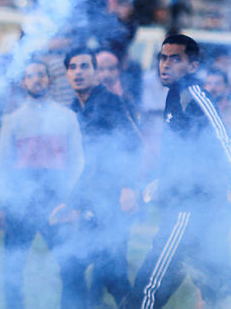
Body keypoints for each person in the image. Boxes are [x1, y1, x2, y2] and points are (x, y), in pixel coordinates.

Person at [121, 35, 231, 309]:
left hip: (188, 210)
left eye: (175, 59)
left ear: (192, 66)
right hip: (198, 208)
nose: (165, 65)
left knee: (147, 293)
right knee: (217, 291)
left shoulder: (196, 95)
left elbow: (225, 141)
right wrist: (159, 182)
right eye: (162, 58)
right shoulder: (175, 94)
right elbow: (184, 153)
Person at [53, 47, 143, 308]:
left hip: (111, 201)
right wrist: (71, 203)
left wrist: (127, 188)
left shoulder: (110, 102)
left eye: (84, 66)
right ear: (67, 74)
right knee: (78, 269)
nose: (78, 72)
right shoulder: (73, 110)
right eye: (73, 67)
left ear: (95, 72)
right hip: (89, 201)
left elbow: (133, 145)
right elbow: (81, 165)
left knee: (109, 274)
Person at [0, 60, 84, 309]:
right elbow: (3, 163)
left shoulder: (67, 117)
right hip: (21, 202)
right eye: (31, 75)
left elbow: (77, 162)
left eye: (42, 75)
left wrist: (72, 201)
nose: (37, 79)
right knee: (12, 267)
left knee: (69, 266)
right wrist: (3, 201)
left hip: (56, 201)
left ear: (50, 80)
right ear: (23, 82)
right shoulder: (12, 120)